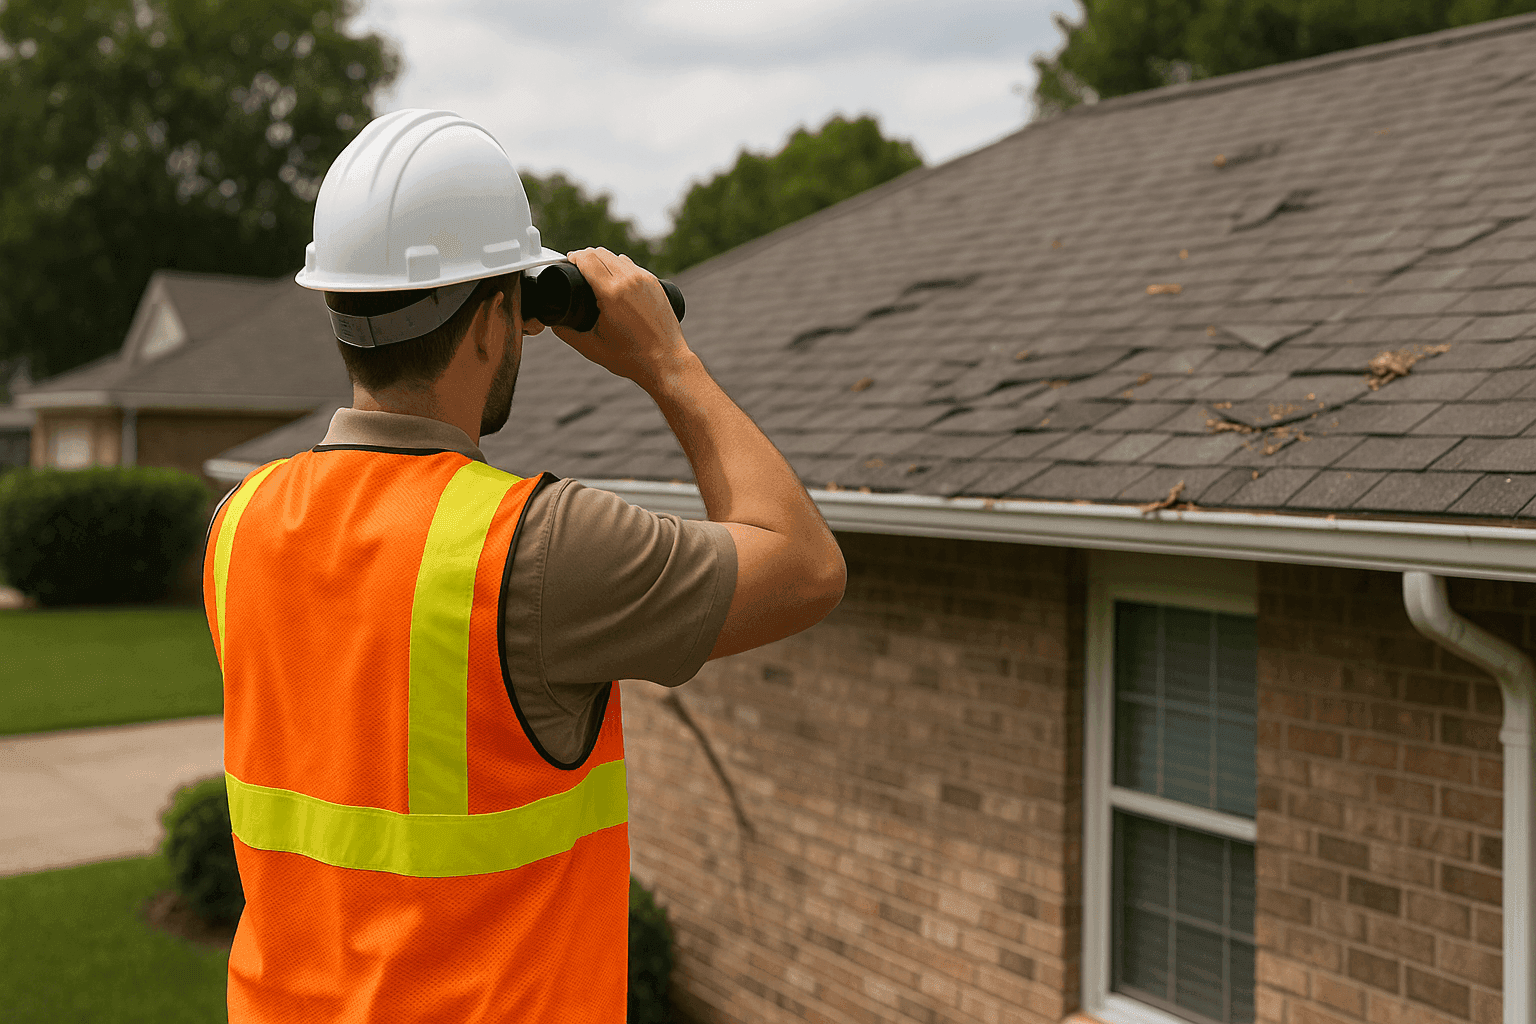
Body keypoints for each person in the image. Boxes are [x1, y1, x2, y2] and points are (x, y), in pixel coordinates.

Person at [202, 109, 846, 1022]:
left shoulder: (239, 523)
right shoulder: (536, 548)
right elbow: (806, 566)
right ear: (499, 319)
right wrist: (666, 360)